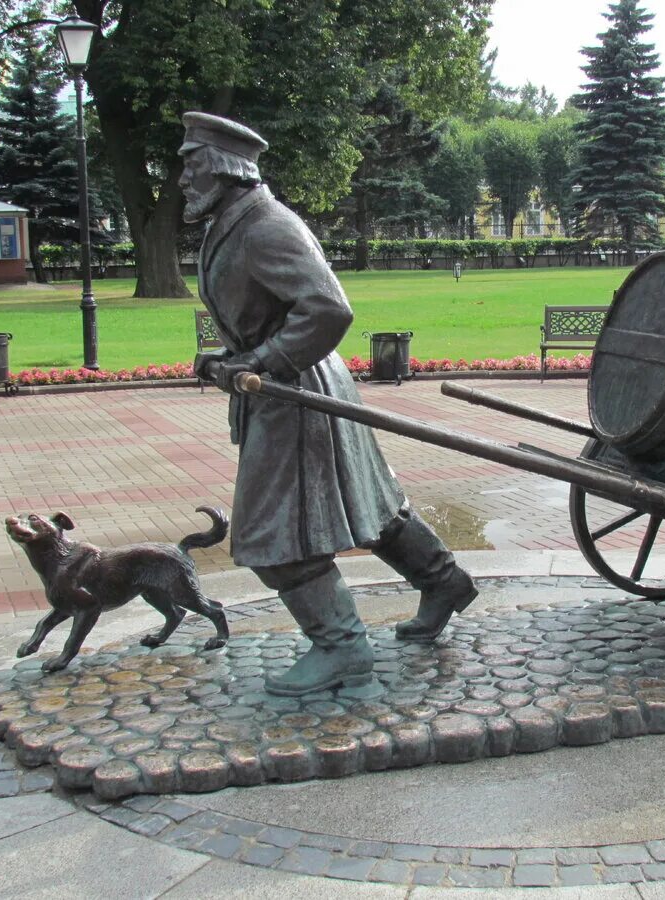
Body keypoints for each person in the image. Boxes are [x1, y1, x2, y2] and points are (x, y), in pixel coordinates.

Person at [180, 112, 477, 697]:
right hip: (301, 385)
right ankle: (444, 581)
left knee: (272, 533)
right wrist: (234, 354)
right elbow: (272, 311)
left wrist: (261, 360)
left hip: (297, 393)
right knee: (366, 501)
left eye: (191, 164)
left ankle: (341, 647)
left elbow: (329, 310)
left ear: (221, 168)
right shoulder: (234, 222)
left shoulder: (265, 225)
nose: (182, 178)